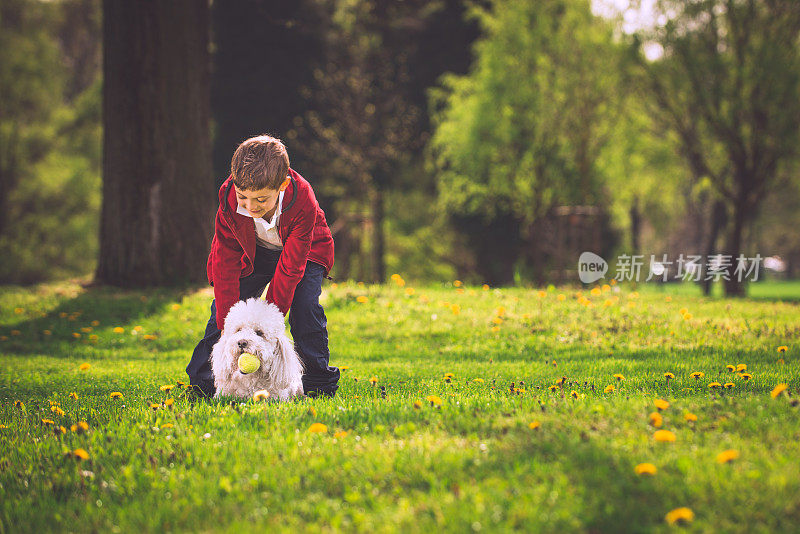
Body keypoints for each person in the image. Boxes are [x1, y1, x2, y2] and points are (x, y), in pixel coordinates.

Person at [186, 134, 339, 398]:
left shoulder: (302, 198)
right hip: (253, 253)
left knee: (305, 308)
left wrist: (270, 323)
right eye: (243, 197)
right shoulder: (227, 199)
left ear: (282, 185)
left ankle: (318, 384)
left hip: (304, 251)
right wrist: (228, 322)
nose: (250, 206)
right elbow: (225, 259)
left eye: (261, 199)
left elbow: (291, 267)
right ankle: (204, 384)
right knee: (224, 314)